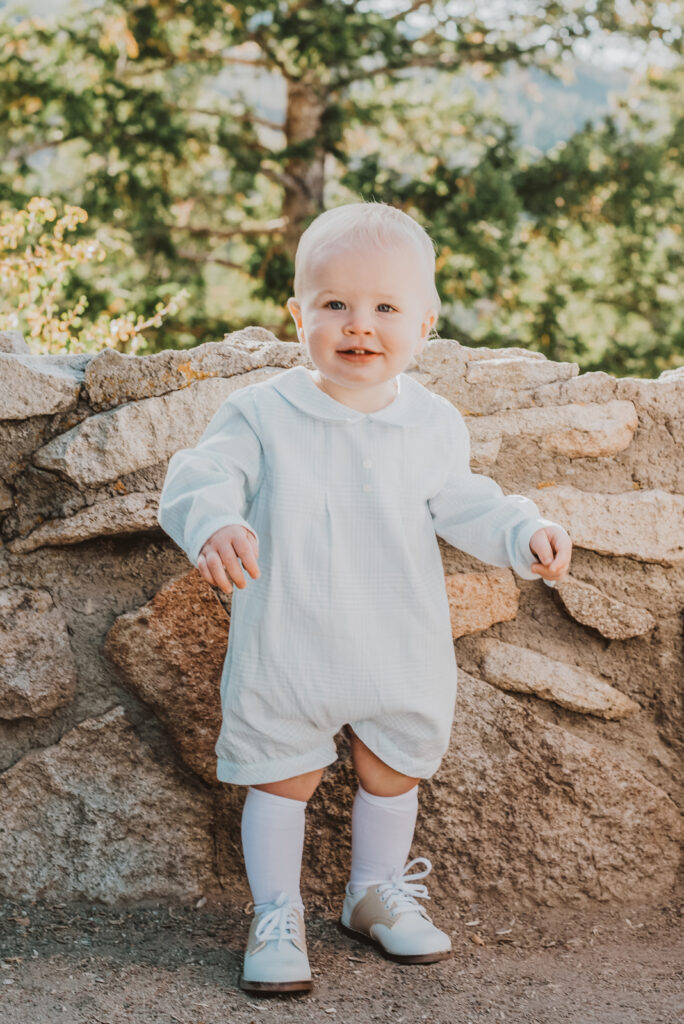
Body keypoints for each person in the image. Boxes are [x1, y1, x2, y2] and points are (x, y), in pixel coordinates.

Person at [157, 201, 572, 995]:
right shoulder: (263, 412)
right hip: (291, 633)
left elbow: (466, 501)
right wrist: (214, 523)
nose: (360, 325)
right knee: (281, 773)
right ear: (297, 315)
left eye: (386, 307)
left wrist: (524, 533)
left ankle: (373, 894)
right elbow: (201, 474)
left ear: (425, 324)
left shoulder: (433, 423)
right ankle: (276, 913)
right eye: (335, 305)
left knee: (393, 766)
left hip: (395, 636)